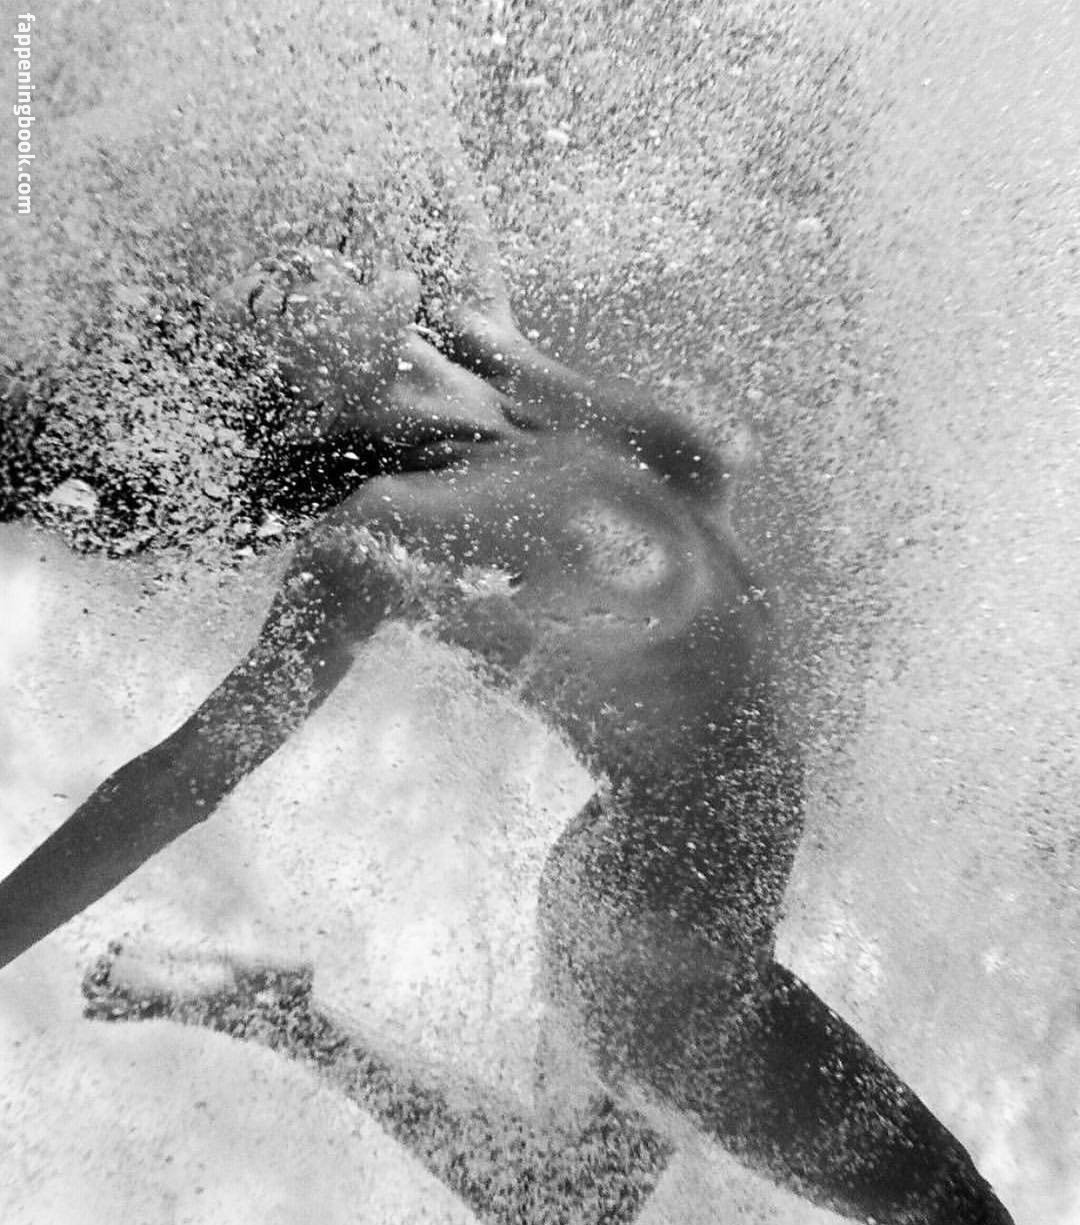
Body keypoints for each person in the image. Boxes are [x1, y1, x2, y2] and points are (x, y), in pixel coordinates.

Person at [0, 226, 1014, 1225]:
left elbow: (697, 460)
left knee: (575, 1199)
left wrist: (480, 343)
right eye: (269, 307)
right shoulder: (385, 530)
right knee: (950, 1210)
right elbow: (186, 775)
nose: (297, 266)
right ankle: (279, 1019)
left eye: (301, 268)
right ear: (301, 394)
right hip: (674, 952)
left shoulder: (506, 405)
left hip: (650, 871)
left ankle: (286, 1020)